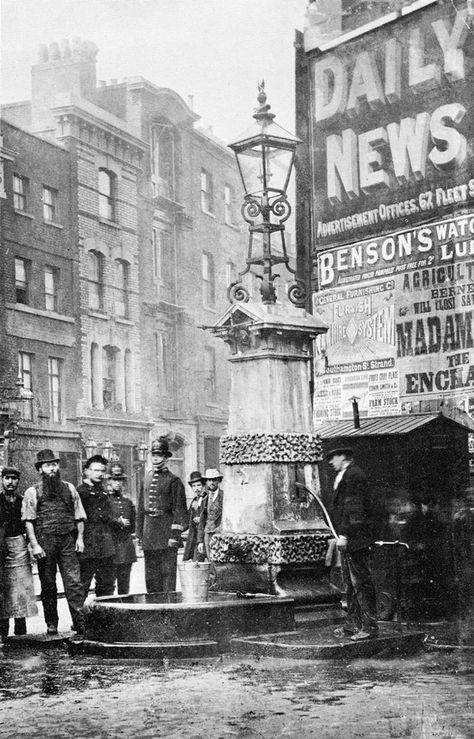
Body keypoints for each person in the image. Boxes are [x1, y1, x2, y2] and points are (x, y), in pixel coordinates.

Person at [22, 449, 86, 636]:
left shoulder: (69, 488)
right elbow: (28, 521)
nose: (52, 468)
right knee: (48, 584)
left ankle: (80, 621)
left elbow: (79, 516)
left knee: (74, 583)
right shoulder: (32, 492)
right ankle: (51, 623)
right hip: (45, 542)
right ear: (40, 469)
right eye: (48, 465)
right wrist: (35, 545)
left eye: (54, 464)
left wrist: (80, 538)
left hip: (67, 540)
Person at [326, 447, 379, 641]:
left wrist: (345, 534)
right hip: (350, 538)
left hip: (357, 539)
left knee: (361, 583)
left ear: (343, 457)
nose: (331, 461)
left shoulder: (354, 475)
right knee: (350, 583)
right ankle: (352, 626)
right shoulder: (346, 474)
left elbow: (354, 508)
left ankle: (369, 627)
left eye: (333, 457)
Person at [136, 437, 187, 593]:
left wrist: (174, 535)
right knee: (151, 577)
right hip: (149, 534)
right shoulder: (146, 479)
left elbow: (180, 510)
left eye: (159, 455)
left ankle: (168, 610)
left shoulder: (174, 480)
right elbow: (140, 508)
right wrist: (140, 534)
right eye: (154, 455)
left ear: (166, 458)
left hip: (166, 535)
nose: (156, 458)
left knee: (167, 576)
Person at [0, 467, 38, 639]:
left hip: (20, 547)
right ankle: (2, 633)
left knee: (21, 589)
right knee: (3, 590)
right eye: (7, 478)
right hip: (1, 548)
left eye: (14, 479)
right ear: (2, 480)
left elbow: (31, 523)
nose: (10, 482)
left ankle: (20, 633)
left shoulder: (23, 501)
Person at [77, 454, 116, 599]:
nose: (99, 474)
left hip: (105, 546)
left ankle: (103, 621)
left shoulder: (104, 493)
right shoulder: (79, 492)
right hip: (87, 545)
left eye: (102, 471)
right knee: (82, 585)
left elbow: (109, 517)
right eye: (95, 470)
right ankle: (80, 621)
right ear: (86, 471)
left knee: (107, 585)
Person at [107, 463, 136, 595]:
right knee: (108, 584)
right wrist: (118, 522)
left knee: (124, 585)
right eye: (114, 480)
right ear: (109, 481)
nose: (117, 483)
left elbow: (133, 524)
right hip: (110, 547)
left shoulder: (128, 502)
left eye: (119, 480)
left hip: (125, 547)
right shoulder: (105, 500)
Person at [197, 469, 224, 561]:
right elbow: (202, 519)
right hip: (207, 533)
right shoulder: (204, 497)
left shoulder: (224, 496)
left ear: (218, 481)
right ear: (206, 481)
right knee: (210, 560)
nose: (211, 482)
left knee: (221, 560)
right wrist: (200, 541)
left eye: (214, 480)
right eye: (209, 480)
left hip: (220, 533)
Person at [183, 471, 206, 562]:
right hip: (194, 537)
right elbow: (187, 520)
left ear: (203, 485)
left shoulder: (207, 498)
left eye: (198, 485)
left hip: (204, 537)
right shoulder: (194, 501)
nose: (196, 488)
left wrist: (201, 519)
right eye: (194, 486)